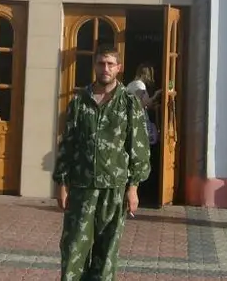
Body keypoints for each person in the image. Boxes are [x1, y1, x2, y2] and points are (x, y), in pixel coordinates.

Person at [53, 45, 151, 281]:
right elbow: (67, 145)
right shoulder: (79, 101)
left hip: (113, 190)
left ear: (119, 68)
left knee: (106, 255)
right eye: (101, 63)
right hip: (81, 189)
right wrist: (62, 183)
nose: (105, 68)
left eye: (110, 64)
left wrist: (133, 188)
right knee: (73, 250)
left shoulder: (129, 103)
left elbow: (138, 148)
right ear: (95, 66)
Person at [126, 63, 161, 145]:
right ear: (143, 75)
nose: (149, 79)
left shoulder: (130, 85)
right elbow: (145, 103)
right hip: (139, 122)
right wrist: (156, 95)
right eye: (149, 76)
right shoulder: (140, 84)